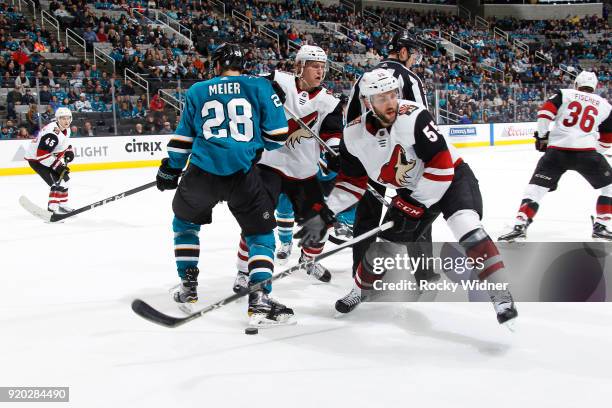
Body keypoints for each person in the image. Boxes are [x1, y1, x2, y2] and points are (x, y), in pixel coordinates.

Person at [296, 70, 518, 326]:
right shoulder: (353, 135)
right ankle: (359, 291)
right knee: (383, 248)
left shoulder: (413, 115)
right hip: (411, 191)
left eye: (393, 95)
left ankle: (500, 294)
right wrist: (327, 212)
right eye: (382, 98)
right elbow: (352, 183)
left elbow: (442, 165)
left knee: (467, 227)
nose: (391, 102)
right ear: (367, 102)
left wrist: (414, 204)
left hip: (452, 178)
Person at [156, 43, 293, 327]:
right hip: (243, 175)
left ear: (216, 64)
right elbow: (279, 136)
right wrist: (254, 144)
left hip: (202, 174)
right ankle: (259, 298)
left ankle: (188, 287)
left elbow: (183, 139)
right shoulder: (260, 86)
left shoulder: (197, 90)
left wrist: (171, 169)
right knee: (261, 237)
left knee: (184, 225)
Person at [231, 45, 344, 294]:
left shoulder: (330, 101)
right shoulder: (277, 80)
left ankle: (308, 259)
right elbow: (245, 83)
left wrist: (336, 152)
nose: (320, 71)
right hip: (269, 166)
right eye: (314, 66)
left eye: (323, 67)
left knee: (320, 222)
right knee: (256, 221)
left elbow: (332, 132)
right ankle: (242, 271)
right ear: (299, 67)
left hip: (303, 171)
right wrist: (265, 90)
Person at [345, 30, 438, 284]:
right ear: (404, 51)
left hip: (370, 158)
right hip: (403, 162)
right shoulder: (409, 78)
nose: (415, 59)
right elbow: (423, 122)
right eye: (414, 53)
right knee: (416, 211)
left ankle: (360, 275)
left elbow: (350, 119)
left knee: (366, 217)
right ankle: (424, 272)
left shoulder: (366, 78)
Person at [498, 71, 612, 241]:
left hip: (557, 152)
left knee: (535, 190)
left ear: (576, 84)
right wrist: (594, 151)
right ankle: (602, 225)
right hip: (587, 153)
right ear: (595, 87)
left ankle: (519, 225)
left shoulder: (565, 94)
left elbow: (545, 113)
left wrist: (542, 137)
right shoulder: (605, 105)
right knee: (609, 187)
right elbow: (608, 138)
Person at [23, 107, 74, 214]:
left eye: (68, 118)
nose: (66, 121)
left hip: (48, 158)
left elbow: (64, 143)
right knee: (57, 184)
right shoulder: (52, 133)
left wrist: (69, 150)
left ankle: (63, 206)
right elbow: (41, 155)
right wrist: (58, 166)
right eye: (63, 118)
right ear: (57, 119)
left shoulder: (66, 129)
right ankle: (52, 210)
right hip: (36, 160)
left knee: (66, 181)